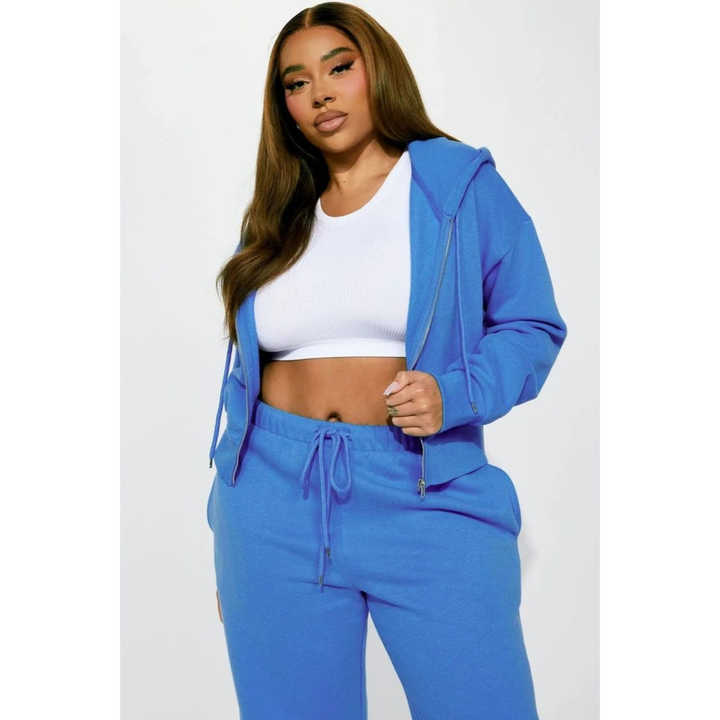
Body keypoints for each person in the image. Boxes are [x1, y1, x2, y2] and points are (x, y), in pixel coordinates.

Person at [205, 4, 567, 719]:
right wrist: (230, 528)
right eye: (296, 83)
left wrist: (455, 394)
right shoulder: (277, 213)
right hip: (271, 500)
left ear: (379, 71)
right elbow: (245, 376)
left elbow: (531, 324)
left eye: (339, 68)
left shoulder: (458, 185)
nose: (320, 93)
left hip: (425, 486)